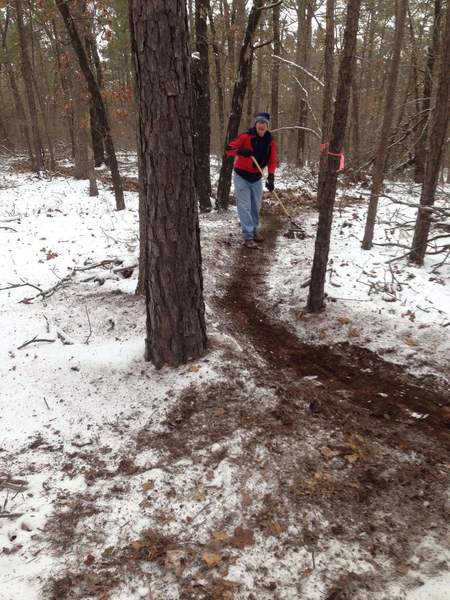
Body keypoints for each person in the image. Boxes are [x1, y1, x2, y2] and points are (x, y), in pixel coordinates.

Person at [225, 112, 277, 248]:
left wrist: (271, 177)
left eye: (265, 123)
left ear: (267, 126)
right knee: (244, 206)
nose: (262, 125)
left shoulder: (270, 142)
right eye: (260, 122)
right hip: (241, 176)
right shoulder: (245, 137)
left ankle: (254, 231)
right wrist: (240, 151)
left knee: (256, 206)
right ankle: (248, 236)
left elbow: (272, 161)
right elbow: (228, 149)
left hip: (256, 177)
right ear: (256, 124)